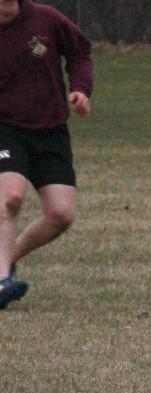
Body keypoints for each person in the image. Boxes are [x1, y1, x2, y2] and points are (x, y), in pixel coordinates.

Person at [0, 0, 92, 309]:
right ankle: (1, 281)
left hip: (50, 130)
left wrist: (81, 89)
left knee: (60, 215)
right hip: (5, 128)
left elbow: (80, 52)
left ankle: (6, 261)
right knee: (10, 197)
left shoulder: (46, 19)